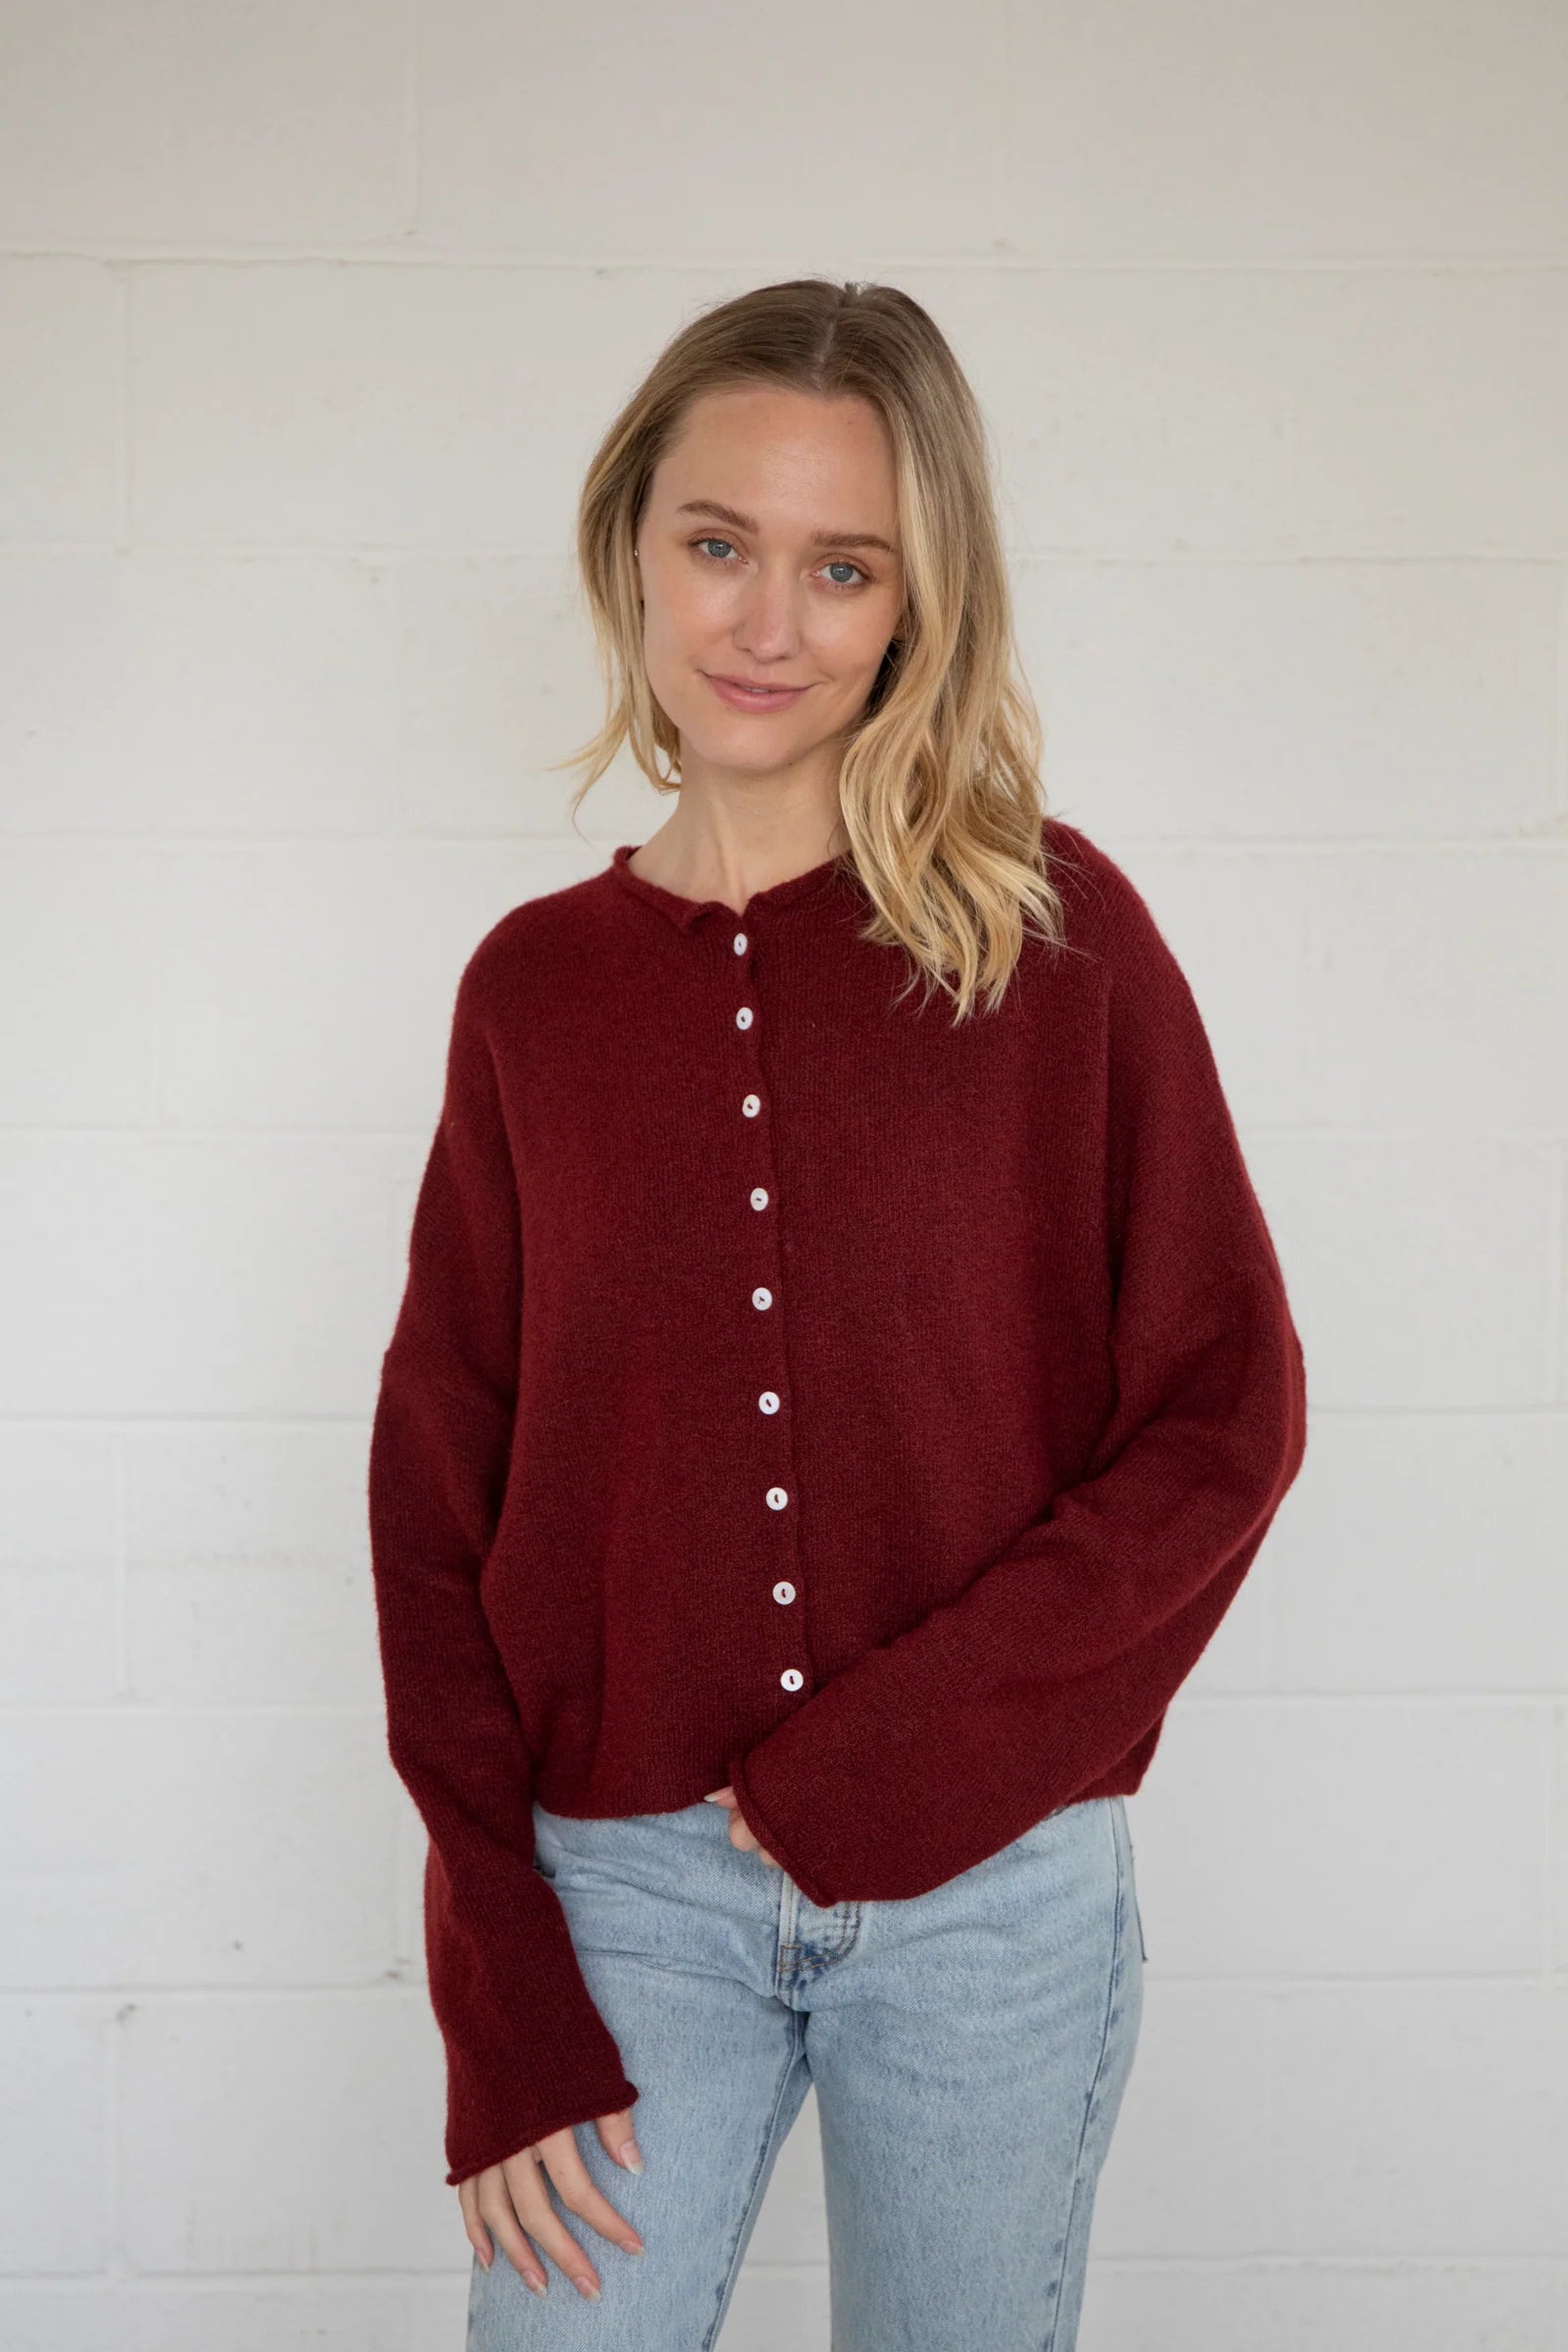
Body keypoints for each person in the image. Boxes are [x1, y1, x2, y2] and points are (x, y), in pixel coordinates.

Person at [366, 276, 1308, 2349]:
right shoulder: (532, 996)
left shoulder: (1052, 941)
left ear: (913, 605)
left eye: (843, 566)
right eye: (719, 543)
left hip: (995, 1895)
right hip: (621, 1901)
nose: (768, 623)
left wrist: (893, 1761)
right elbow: (434, 1508)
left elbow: (1222, 1415)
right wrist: (497, 1982)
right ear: (630, 543)